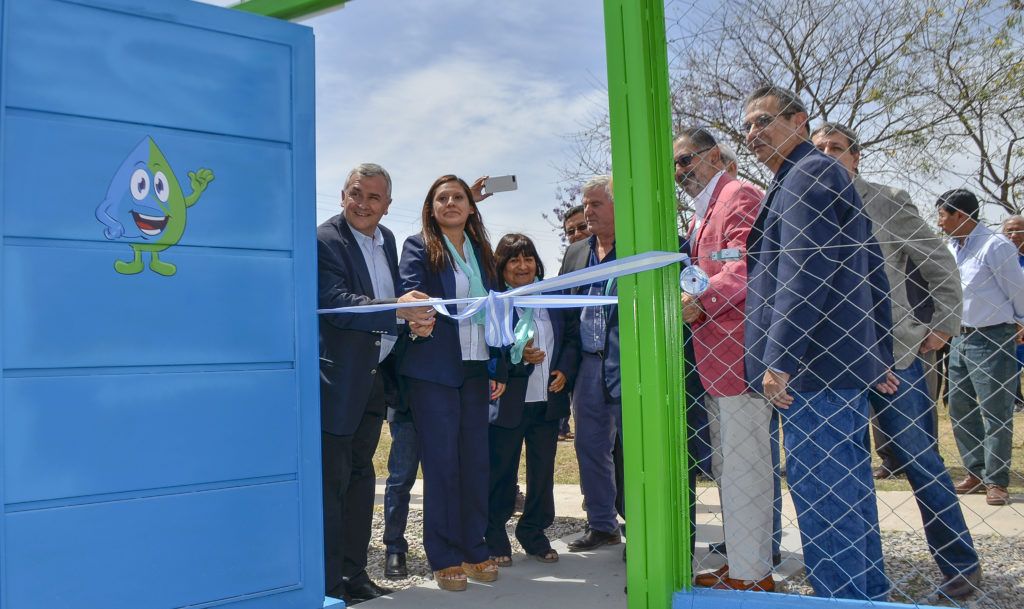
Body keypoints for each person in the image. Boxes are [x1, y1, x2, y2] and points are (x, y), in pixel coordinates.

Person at [813, 123, 982, 600]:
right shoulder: (808, 208)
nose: (827, 156)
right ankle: (859, 573)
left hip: (897, 357)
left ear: (855, 157)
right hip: (832, 364)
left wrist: (944, 324)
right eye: (819, 149)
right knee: (843, 467)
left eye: (836, 149)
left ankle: (960, 563)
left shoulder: (887, 200)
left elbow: (939, 265)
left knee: (918, 459)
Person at [742, 85, 893, 601]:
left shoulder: (806, 175)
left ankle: (844, 597)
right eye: (747, 127)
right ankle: (865, 594)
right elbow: (870, 270)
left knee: (825, 500)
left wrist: (779, 359)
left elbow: (804, 272)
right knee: (848, 497)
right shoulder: (812, 176)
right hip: (835, 368)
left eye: (762, 121)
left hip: (812, 371)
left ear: (798, 120)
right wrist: (877, 357)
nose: (752, 135)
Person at [317, 163, 435, 603]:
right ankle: (329, 586)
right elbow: (337, 304)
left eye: (373, 197)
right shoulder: (324, 240)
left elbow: (390, 303)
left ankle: (355, 576)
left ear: (387, 205)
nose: (363, 204)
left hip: (373, 380)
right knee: (332, 486)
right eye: (355, 193)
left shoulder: (385, 240)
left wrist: (412, 323)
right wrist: (398, 312)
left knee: (363, 479)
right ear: (342, 195)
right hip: (337, 382)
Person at [673, 127, 774, 592]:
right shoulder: (699, 214)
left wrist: (699, 300)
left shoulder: (739, 195)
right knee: (729, 467)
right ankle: (743, 565)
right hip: (712, 356)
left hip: (738, 354)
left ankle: (754, 576)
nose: (679, 172)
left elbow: (749, 267)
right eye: (675, 164)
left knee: (746, 464)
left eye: (686, 160)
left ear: (714, 156)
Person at [398, 174, 508, 591]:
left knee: (476, 462)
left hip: (478, 368)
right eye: (441, 198)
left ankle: (473, 547)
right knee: (443, 464)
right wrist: (418, 320)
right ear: (431, 209)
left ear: (470, 206)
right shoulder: (418, 247)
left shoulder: (482, 250)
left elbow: (497, 308)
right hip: (435, 371)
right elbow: (410, 294)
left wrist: (498, 365)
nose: (449, 203)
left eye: (457, 197)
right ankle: (443, 556)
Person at [485, 233, 580, 566]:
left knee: (542, 473)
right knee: (501, 472)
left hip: (548, 401)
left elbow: (571, 337)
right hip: (510, 401)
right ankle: (494, 534)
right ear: (501, 266)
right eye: (514, 260)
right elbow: (489, 348)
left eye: (528, 259)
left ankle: (533, 532)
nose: (522, 266)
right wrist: (518, 354)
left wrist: (565, 370)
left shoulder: (553, 295)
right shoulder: (495, 301)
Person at [937, 190, 1024, 507]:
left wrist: (1021, 321)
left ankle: (997, 480)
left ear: (961, 215)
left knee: (995, 410)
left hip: (993, 336)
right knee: (959, 406)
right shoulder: (952, 246)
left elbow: (1018, 289)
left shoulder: (995, 246)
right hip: (959, 336)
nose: (940, 222)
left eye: (943, 215)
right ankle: (975, 471)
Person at [558, 176, 627, 552]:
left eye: (596, 204)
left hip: (629, 364)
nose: (588, 212)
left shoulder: (638, 247)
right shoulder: (575, 254)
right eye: (586, 204)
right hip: (587, 364)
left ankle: (641, 528)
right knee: (589, 446)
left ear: (618, 206)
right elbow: (565, 315)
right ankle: (602, 523)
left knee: (632, 451)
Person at [1001, 215, 1024, 411]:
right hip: (1010, 328)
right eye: (1009, 231)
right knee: (1011, 368)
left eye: (1019, 230)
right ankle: (1016, 401)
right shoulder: (998, 258)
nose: (1014, 235)